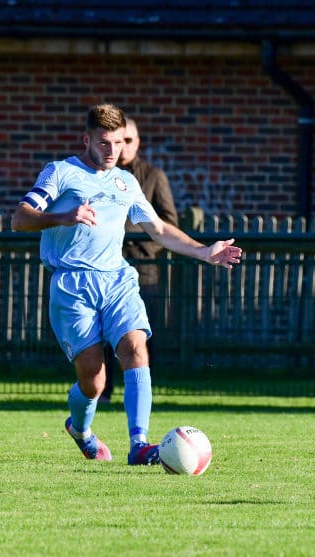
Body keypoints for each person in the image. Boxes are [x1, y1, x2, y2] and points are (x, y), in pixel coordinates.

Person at [11, 103, 243, 464]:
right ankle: (81, 430)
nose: (112, 150)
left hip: (117, 279)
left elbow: (159, 229)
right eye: (104, 142)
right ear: (87, 140)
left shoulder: (126, 182)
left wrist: (203, 251)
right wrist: (64, 216)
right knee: (94, 381)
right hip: (72, 284)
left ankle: (139, 445)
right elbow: (20, 219)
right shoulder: (61, 172)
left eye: (118, 142)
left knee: (136, 347)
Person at [100, 117, 178, 403]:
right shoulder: (102, 176)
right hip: (107, 267)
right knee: (104, 333)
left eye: (128, 141)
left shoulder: (153, 176)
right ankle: (104, 391)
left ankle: (142, 394)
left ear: (137, 143)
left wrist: (142, 246)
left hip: (144, 270)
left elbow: (168, 222)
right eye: (118, 141)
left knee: (143, 335)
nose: (122, 147)